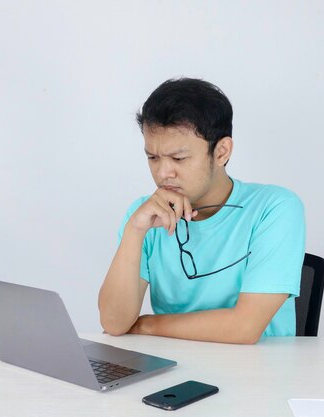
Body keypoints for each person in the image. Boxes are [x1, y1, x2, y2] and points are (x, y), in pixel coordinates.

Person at [98, 78, 305, 344]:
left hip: (259, 374)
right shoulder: (146, 215)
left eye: (179, 159)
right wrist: (134, 231)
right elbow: (114, 323)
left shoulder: (275, 208)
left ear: (221, 152)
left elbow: (244, 328)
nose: (163, 173)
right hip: (173, 369)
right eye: (152, 157)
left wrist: (146, 325)